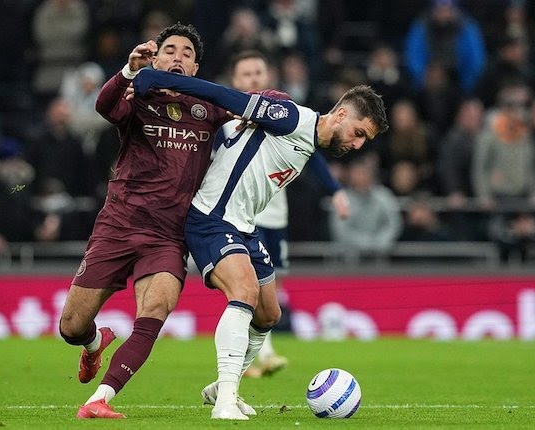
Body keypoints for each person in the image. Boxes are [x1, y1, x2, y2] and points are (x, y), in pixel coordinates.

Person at [131, 67, 388, 419]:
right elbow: (224, 96)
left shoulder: (308, 140)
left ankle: (222, 387)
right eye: (358, 133)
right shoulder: (292, 118)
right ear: (341, 114)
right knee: (245, 292)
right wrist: (157, 78)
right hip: (211, 218)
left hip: (243, 228)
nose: (357, 145)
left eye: (364, 141)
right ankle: (225, 401)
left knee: (269, 314)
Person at [61, 24, 230, 419]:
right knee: (71, 326)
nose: (177, 57)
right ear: (155, 59)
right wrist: (128, 71)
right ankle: (93, 345)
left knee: (153, 313)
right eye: (169, 49)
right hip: (118, 225)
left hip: (168, 236)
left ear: (196, 67)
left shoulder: (211, 110)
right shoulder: (138, 97)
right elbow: (104, 107)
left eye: (187, 53)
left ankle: (99, 400)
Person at [223, 50, 350, 379]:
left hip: (275, 214)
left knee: (270, 289)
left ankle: (253, 356)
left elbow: (316, 152)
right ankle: (262, 355)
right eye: (246, 74)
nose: (253, 79)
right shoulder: (222, 126)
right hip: (241, 217)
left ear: (268, 78)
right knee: (249, 285)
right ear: (235, 82)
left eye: (258, 73)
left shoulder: (283, 117)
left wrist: (335, 190)